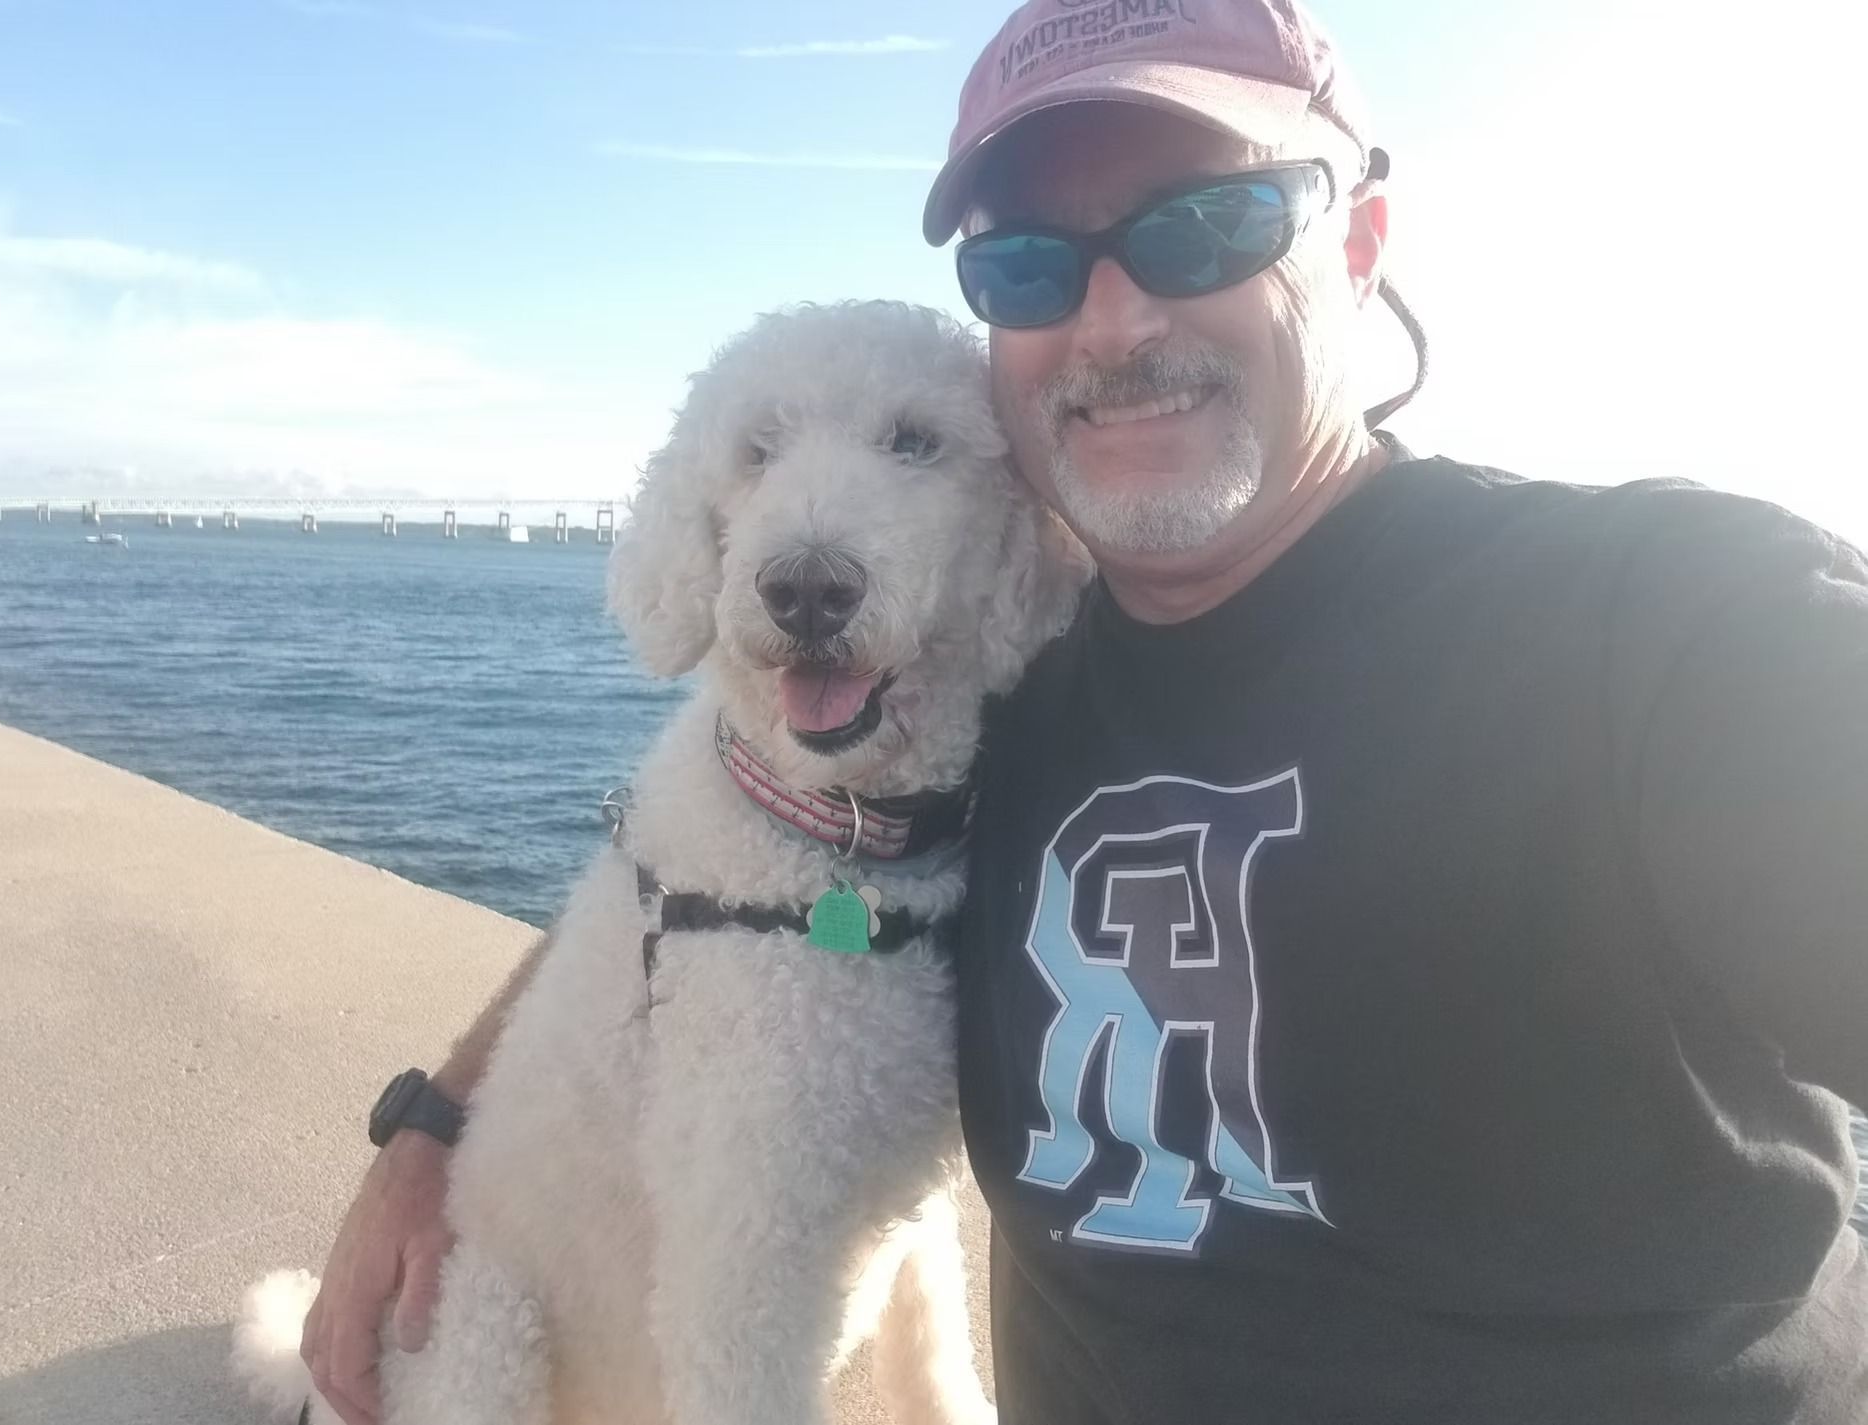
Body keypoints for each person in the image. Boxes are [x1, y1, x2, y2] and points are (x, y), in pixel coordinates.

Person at [302, 2, 1868, 1421]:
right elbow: (707, 859)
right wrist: (438, 1115)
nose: (1115, 321)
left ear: (1365, 237)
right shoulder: (995, 677)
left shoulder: (1666, 625)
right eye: (1032, 262)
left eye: (1209, 223)